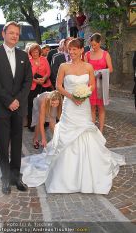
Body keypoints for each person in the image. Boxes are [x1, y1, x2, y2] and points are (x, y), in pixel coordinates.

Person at [21, 38, 125, 194]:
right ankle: (64, 175)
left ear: (82, 50)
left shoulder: (89, 66)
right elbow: (58, 86)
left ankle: (89, 170)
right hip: (70, 106)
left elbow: (91, 84)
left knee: (86, 132)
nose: (72, 52)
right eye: (70, 49)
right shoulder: (64, 66)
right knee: (68, 133)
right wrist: (72, 96)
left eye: (75, 49)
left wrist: (84, 95)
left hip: (83, 106)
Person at [0, 21, 32, 195]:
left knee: (17, 143)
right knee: (3, 144)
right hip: (1, 106)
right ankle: (5, 177)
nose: (14, 36)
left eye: (17, 33)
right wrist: (8, 101)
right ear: (3, 34)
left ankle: (15, 176)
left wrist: (18, 100)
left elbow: (28, 80)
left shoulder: (23, 55)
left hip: (18, 107)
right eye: (11, 32)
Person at [85, 33, 113, 133]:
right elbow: (84, 69)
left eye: (95, 45)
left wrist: (100, 72)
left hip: (101, 83)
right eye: (92, 45)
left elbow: (110, 69)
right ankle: (92, 128)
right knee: (91, 107)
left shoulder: (106, 54)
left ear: (100, 42)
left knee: (101, 107)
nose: (93, 47)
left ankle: (100, 129)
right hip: (91, 84)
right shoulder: (87, 54)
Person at [27, 43, 52, 130]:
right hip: (33, 86)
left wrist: (44, 79)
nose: (35, 54)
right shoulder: (28, 61)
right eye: (33, 52)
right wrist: (36, 81)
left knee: (44, 105)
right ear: (30, 52)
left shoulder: (44, 59)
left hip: (44, 85)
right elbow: (28, 74)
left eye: (36, 52)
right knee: (33, 105)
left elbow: (48, 71)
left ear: (39, 52)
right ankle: (32, 125)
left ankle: (44, 123)